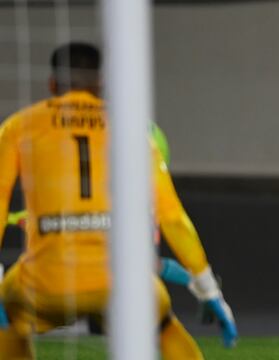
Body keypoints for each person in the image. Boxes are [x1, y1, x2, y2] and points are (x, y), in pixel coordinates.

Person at [0, 42, 221, 359]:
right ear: (101, 84)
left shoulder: (19, 127)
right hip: (120, 282)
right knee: (163, 324)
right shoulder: (132, 131)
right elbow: (173, 217)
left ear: (51, 84)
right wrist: (207, 287)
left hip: (47, 281)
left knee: (7, 318)